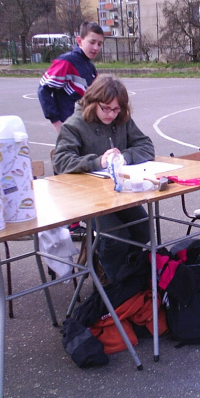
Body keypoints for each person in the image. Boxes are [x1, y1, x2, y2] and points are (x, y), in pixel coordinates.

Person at [52, 74, 155, 283]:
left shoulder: (122, 120)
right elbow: (61, 161)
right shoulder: (74, 125)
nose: (110, 114)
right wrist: (99, 162)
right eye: (105, 108)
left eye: (116, 109)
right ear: (92, 102)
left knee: (143, 226)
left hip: (118, 193)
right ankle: (112, 282)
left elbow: (146, 146)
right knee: (116, 238)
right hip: (87, 198)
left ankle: (130, 274)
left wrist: (124, 157)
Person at [38, 21, 104, 134]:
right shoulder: (66, 62)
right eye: (92, 42)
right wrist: (57, 122)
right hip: (70, 126)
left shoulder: (90, 66)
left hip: (86, 126)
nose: (96, 47)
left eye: (99, 44)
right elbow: (43, 90)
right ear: (79, 41)